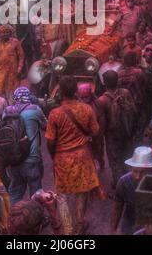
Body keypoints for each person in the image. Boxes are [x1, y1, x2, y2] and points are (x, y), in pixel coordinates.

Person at [45, 76, 100, 235]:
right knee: (81, 192)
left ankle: (68, 231)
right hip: (83, 156)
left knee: (62, 195)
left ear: (60, 92)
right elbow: (95, 131)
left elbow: (50, 141)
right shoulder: (87, 109)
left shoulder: (55, 114)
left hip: (62, 158)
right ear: (76, 91)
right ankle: (80, 225)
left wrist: (53, 155)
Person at [4, 86, 47, 204]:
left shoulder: (7, 111)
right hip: (32, 158)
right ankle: (36, 219)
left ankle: (13, 218)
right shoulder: (35, 109)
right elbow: (45, 126)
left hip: (13, 160)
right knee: (36, 192)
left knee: (15, 192)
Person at [96, 71, 136, 188]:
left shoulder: (102, 100)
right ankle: (130, 182)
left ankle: (121, 190)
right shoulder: (126, 92)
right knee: (127, 159)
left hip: (112, 137)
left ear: (104, 83)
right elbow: (134, 111)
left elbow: (102, 124)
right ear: (117, 80)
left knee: (115, 163)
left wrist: (100, 139)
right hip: (127, 133)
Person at [111, 146, 152, 235]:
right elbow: (117, 207)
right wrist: (112, 231)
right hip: (130, 228)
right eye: (135, 171)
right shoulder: (124, 182)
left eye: (143, 172)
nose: (137, 176)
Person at [0, 25, 24, 103]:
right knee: (0, 93)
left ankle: (13, 109)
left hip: (13, 72)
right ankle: (4, 110)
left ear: (10, 33)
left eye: (7, 32)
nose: (5, 34)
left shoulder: (15, 42)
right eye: (3, 33)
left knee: (12, 93)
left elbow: (21, 56)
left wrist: (19, 68)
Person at [118, 51, 148, 143]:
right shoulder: (139, 72)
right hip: (138, 102)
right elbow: (145, 85)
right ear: (135, 60)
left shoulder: (119, 73)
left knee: (127, 125)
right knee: (139, 125)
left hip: (124, 103)